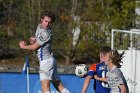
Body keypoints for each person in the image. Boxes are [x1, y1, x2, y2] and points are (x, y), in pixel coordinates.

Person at [19, 11, 70, 93]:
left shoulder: (46, 33)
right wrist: (34, 39)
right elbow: (37, 38)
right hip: (51, 60)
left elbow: (34, 47)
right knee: (58, 85)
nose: (47, 24)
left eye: (49, 23)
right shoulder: (39, 27)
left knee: (45, 87)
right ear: (41, 20)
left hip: (46, 62)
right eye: (45, 21)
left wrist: (23, 47)